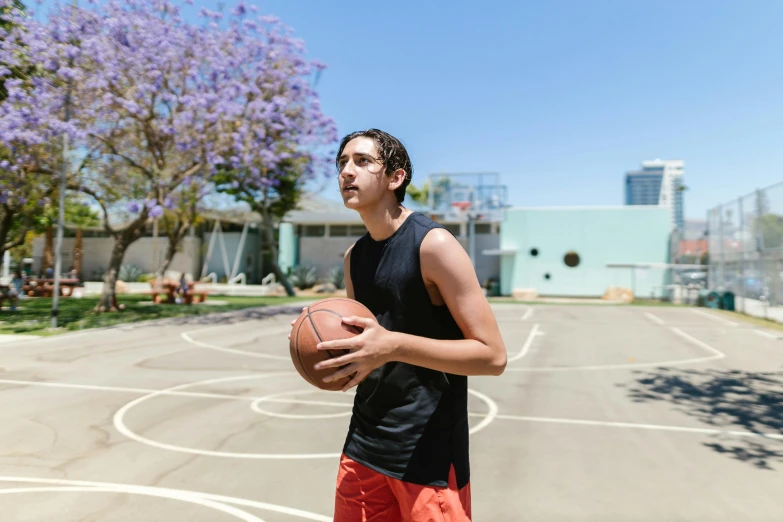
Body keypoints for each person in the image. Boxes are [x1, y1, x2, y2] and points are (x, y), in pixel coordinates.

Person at [290, 129, 507, 521]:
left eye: (362, 161)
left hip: (427, 455)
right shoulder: (355, 256)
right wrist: (315, 338)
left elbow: (492, 356)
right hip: (363, 445)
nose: (346, 172)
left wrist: (392, 345)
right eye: (342, 163)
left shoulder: (434, 245)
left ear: (395, 177)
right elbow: (363, 343)